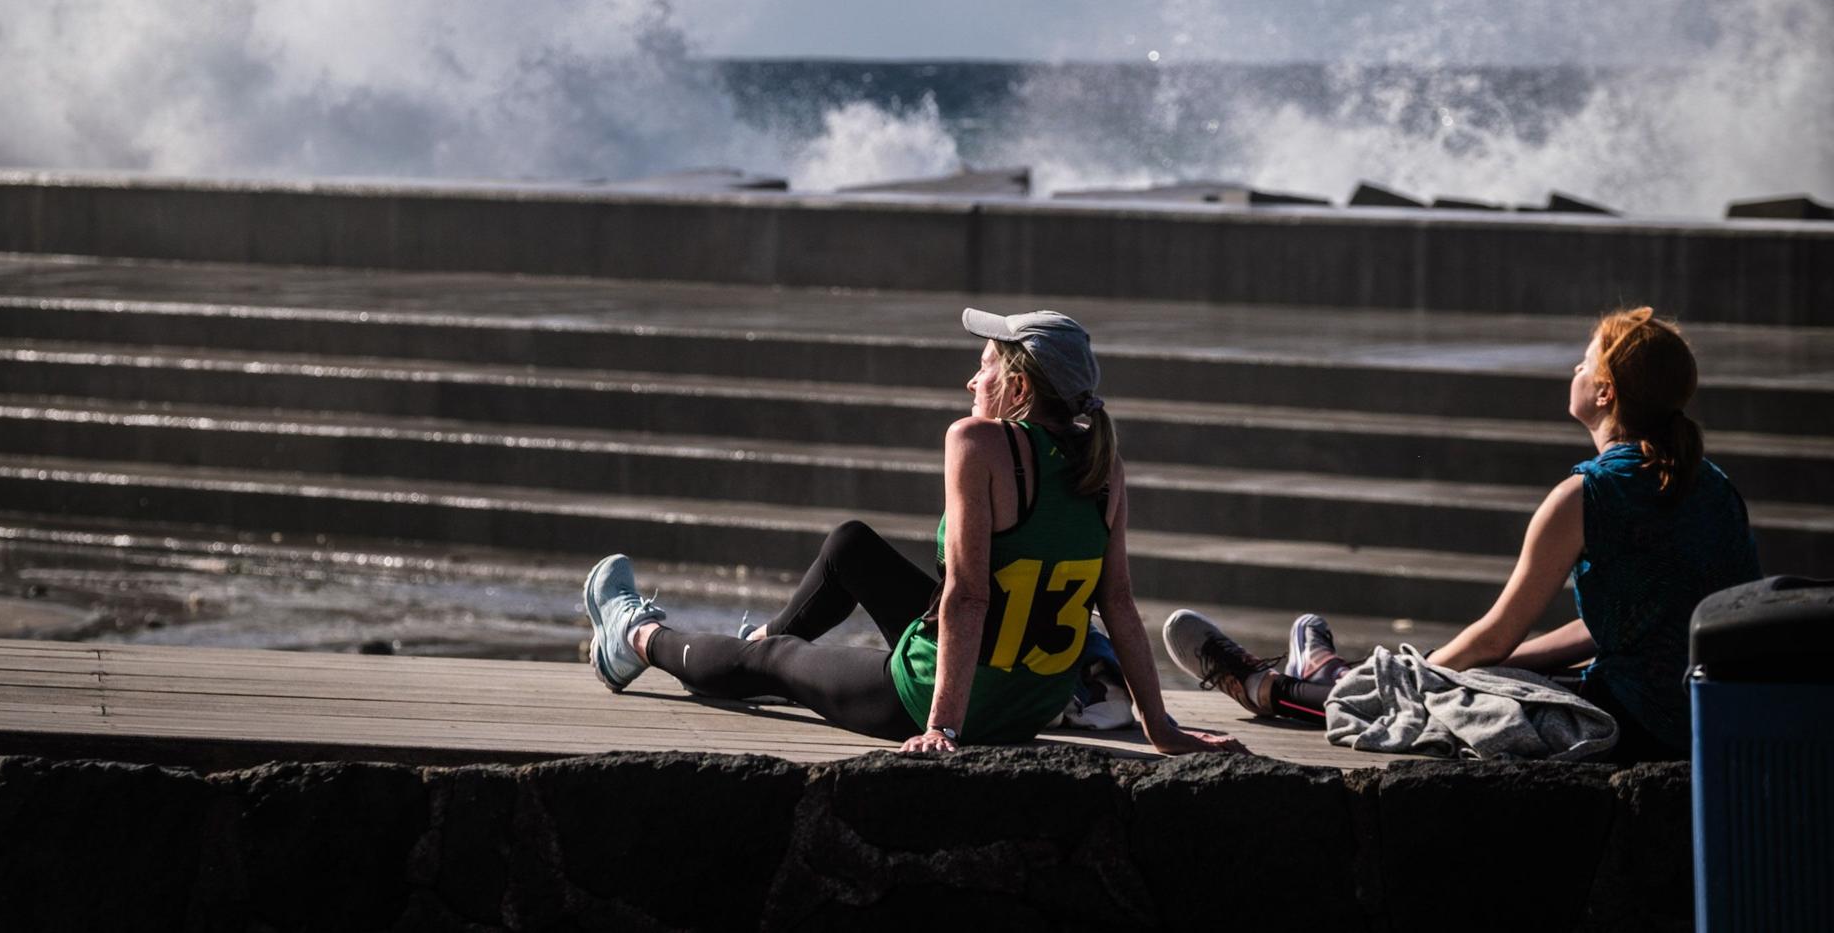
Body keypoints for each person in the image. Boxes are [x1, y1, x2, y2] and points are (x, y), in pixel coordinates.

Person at [582, 308, 1244, 756]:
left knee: (773, 664)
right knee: (851, 545)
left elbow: (966, 597)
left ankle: (633, 635)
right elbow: (1120, 603)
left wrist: (942, 726)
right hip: (1028, 699)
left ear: (1014, 384)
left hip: (937, 696)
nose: (970, 378)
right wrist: (1162, 728)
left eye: (983, 364)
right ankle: (759, 641)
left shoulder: (979, 442)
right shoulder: (1103, 463)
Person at [1163, 305, 1761, 762]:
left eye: (1585, 360)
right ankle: (1329, 673)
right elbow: (1643, 617)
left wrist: (1420, 672)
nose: (1574, 368)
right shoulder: (1711, 483)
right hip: (1699, 715)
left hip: (1635, 728)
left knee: (1435, 698)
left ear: (1604, 393)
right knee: (1474, 677)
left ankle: (1266, 687)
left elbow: (1497, 634)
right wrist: (1478, 665)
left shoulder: (1587, 495)